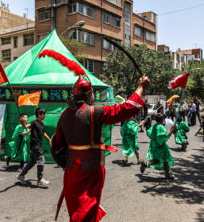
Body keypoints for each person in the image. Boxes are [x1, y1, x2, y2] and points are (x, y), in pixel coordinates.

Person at [53, 75, 149, 221]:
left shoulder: (64, 115)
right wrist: (141, 87)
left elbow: (58, 146)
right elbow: (126, 109)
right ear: (89, 95)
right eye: (92, 93)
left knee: (78, 209)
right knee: (86, 211)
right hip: (91, 170)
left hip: (72, 171)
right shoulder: (95, 112)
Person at [17, 108, 51, 186]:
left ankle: (21, 175)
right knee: (41, 159)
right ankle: (40, 180)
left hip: (38, 144)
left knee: (32, 161)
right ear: (39, 114)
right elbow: (25, 127)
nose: (44, 116)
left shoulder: (42, 124)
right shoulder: (34, 122)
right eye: (43, 114)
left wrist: (49, 139)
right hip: (35, 145)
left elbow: (43, 133)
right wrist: (22, 122)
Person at [140, 113, 176, 180]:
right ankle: (168, 174)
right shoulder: (160, 127)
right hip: (160, 146)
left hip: (154, 145)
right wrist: (172, 129)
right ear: (163, 119)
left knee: (159, 160)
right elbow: (164, 138)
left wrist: (153, 139)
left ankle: (147, 164)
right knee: (165, 159)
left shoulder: (154, 126)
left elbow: (148, 133)